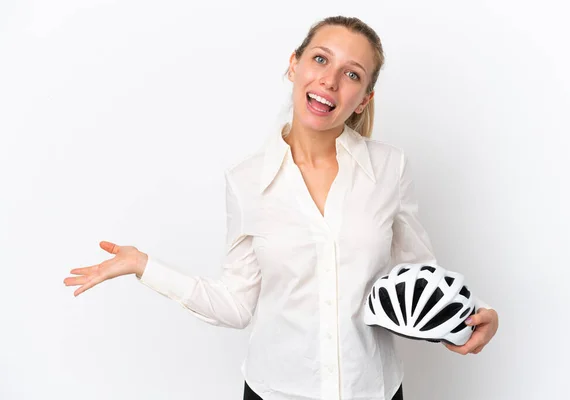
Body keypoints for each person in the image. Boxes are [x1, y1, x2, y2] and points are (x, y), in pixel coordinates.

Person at [63, 15, 499, 400]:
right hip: (277, 391)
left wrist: (471, 317)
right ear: (294, 65)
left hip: (373, 391)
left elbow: (417, 283)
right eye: (321, 59)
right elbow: (236, 304)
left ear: (363, 99)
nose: (330, 80)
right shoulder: (246, 180)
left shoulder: (390, 168)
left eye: (352, 74)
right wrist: (145, 266)